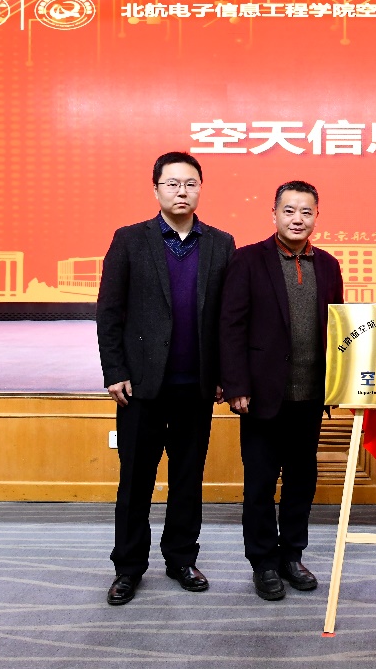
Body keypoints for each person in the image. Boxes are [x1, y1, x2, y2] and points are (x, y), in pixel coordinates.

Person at [97, 152, 236, 605]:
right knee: (135, 482)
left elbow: (226, 319)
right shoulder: (129, 240)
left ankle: (180, 559)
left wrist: (225, 374)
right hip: (141, 387)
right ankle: (128, 568)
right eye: (172, 183)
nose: (182, 191)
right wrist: (115, 371)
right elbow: (109, 311)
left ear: (200, 189)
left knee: (188, 480)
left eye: (190, 183)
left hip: (196, 386)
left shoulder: (221, 244)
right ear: (156, 188)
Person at [219, 180, 344, 601]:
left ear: (316, 217)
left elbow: (338, 330)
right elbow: (231, 326)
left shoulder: (328, 265)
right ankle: (263, 563)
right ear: (273, 214)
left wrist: (339, 384)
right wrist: (236, 384)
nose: (297, 219)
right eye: (289, 210)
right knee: (259, 484)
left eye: (306, 212)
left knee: (300, 482)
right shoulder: (248, 260)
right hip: (261, 395)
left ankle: (292, 556)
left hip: (309, 396)